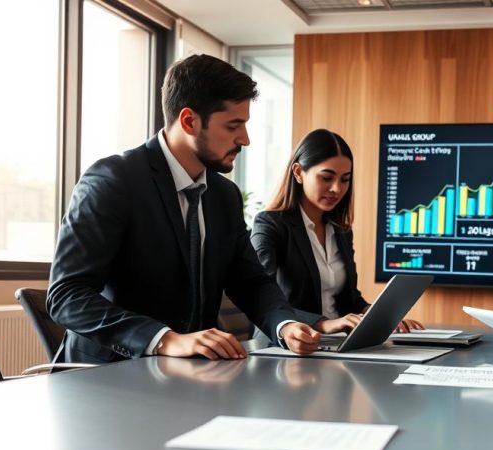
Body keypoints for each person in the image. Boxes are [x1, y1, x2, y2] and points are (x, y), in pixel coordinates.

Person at [48, 54, 321, 363]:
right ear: (190, 121)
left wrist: (285, 326)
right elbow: (66, 296)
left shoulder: (224, 196)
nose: (245, 139)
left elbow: (251, 281)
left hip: (192, 376)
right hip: (107, 377)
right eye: (234, 125)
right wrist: (164, 339)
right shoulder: (114, 181)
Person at [252, 128, 423, 333]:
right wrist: (323, 323)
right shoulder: (271, 224)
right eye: (326, 178)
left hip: (336, 344)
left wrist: (379, 315)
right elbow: (261, 297)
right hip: (287, 345)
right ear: (298, 173)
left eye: (345, 179)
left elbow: (349, 299)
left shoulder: (340, 230)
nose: (337, 189)